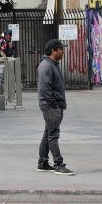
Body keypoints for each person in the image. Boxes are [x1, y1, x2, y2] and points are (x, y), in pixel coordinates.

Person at [37, 39, 73, 176]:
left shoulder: (52, 64)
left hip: (53, 105)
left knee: (48, 134)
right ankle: (58, 164)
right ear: (53, 51)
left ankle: (43, 163)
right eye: (61, 49)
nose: (63, 52)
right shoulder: (46, 66)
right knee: (53, 135)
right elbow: (45, 89)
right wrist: (54, 104)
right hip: (51, 106)